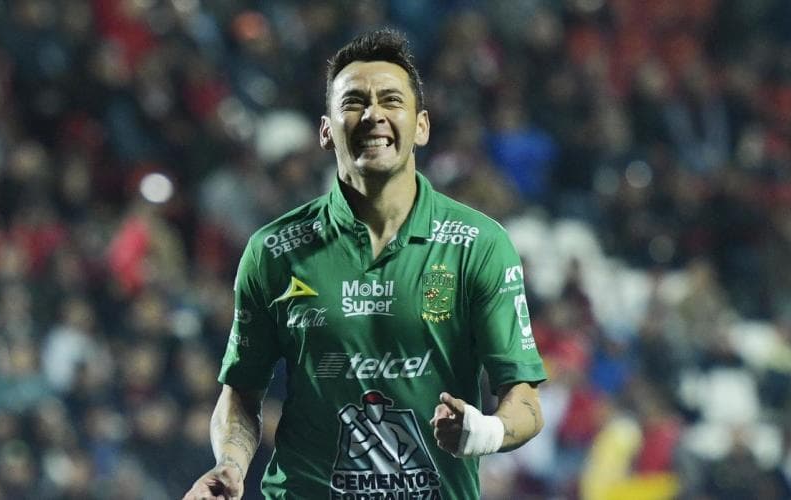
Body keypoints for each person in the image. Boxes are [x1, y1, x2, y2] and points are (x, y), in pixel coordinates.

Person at [183, 28, 547, 500]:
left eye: (391, 100)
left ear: (421, 127)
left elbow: (525, 400)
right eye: (354, 102)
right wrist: (230, 465)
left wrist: (484, 431)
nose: (374, 114)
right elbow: (241, 394)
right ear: (325, 131)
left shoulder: (479, 245)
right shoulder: (273, 250)